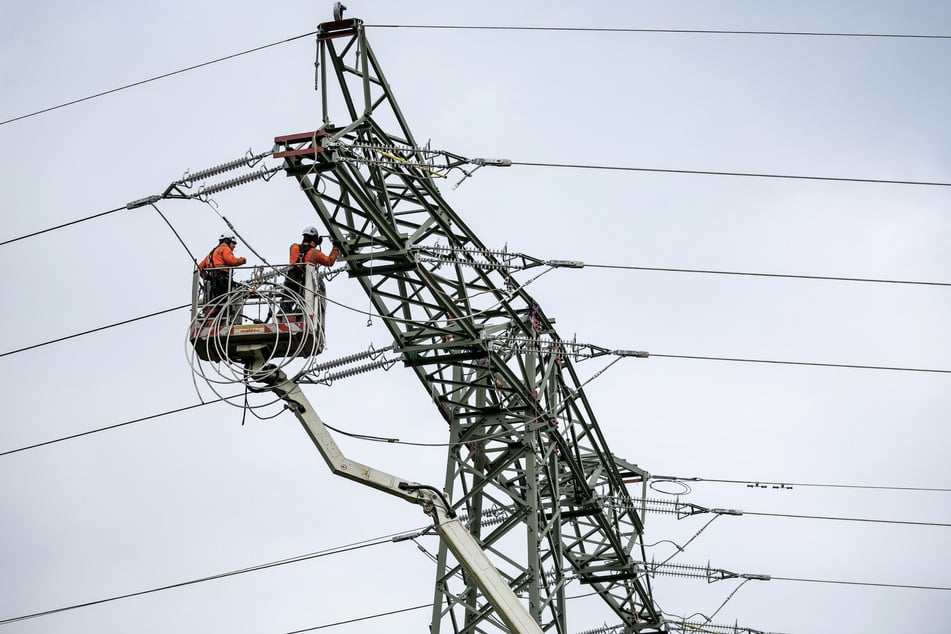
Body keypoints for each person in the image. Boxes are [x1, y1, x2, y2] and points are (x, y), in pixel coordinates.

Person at [283, 226, 339, 318]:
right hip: (304, 283)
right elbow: (329, 261)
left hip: (290, 280)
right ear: (314, 240)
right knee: (303, 305)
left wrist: (315, 243)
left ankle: (282, 315)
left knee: (286, 302)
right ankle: (297, 316)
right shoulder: (315, 253)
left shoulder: (293, 247)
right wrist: (335, 248)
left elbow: (300, 254)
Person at [197, 233, 247, 315]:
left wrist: (208, 277)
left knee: (218, 303)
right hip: (223, 281)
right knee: (222, 305)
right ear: (227, 241)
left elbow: (199, 268)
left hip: (215, 282)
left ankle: (208, 315)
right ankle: (207, 315)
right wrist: (243, 260)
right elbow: (231, 261)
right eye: (233, 243)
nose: (234, 246)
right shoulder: (225, 249)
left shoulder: (211, 253)